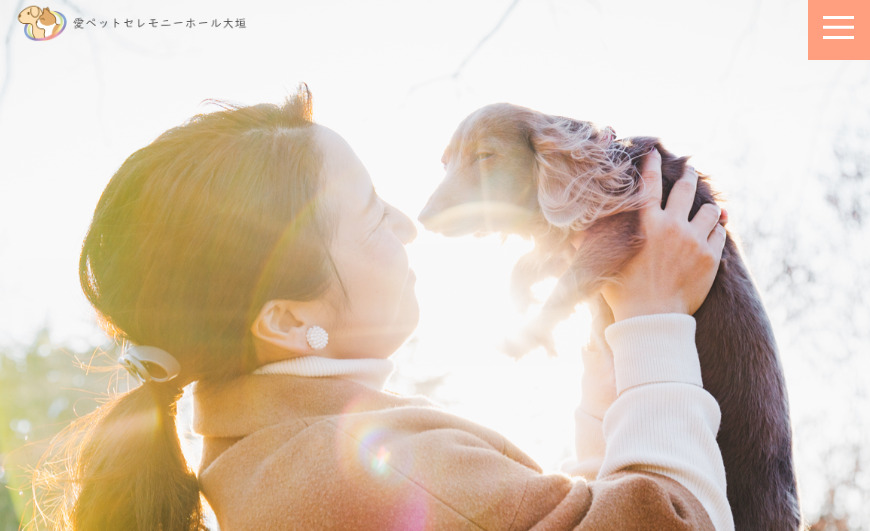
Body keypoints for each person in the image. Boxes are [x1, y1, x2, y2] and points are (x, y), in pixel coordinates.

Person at [48, 85, 733, 530]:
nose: (408, 225)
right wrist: (654, 322)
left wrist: (608, 376)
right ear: (286, 319)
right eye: (374, 215)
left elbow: (569, 520)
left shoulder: (275, 468)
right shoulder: (361, 474)